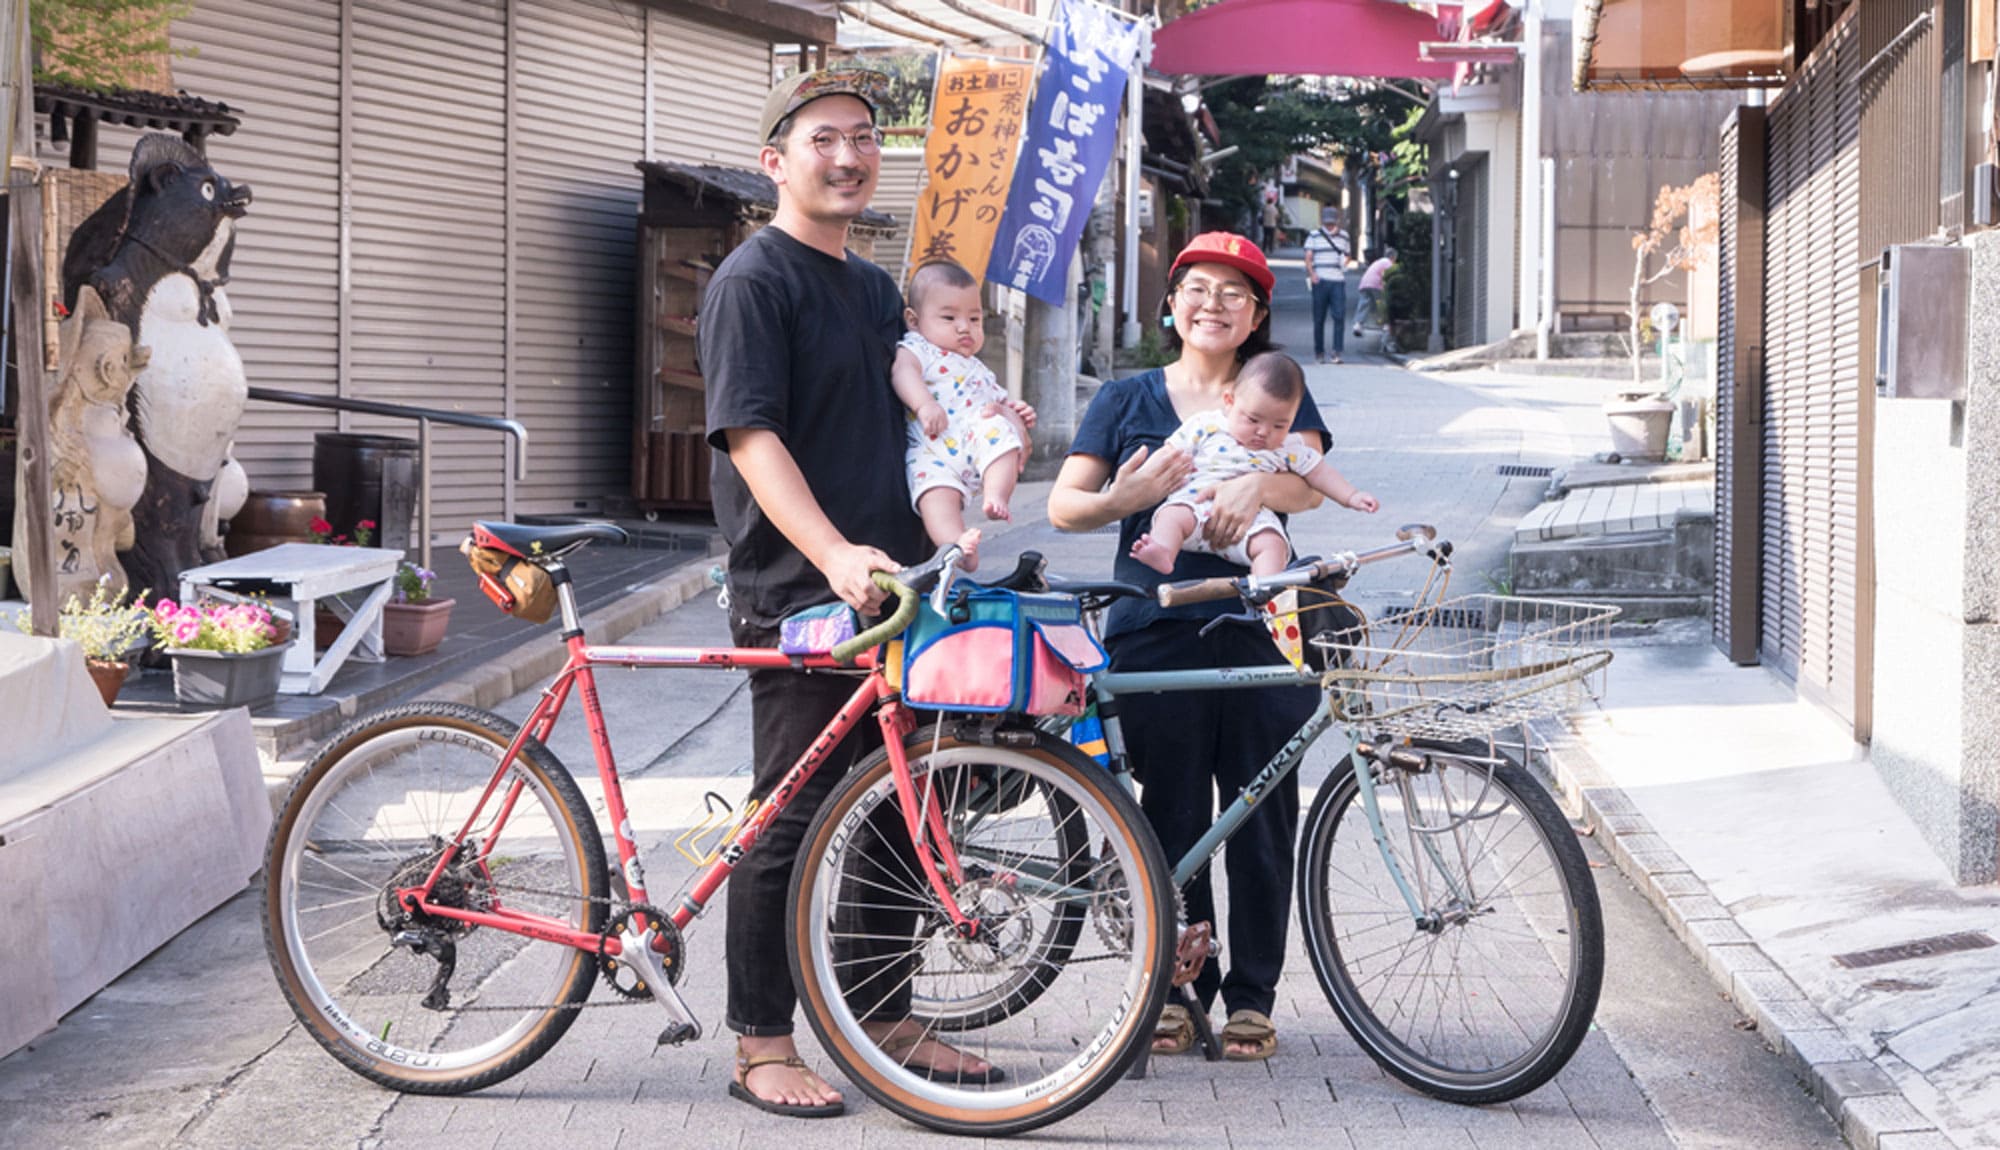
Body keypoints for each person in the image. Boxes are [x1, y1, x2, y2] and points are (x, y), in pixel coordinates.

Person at [700, 67, 993, 1119]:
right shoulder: (752, 280)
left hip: (895, 585)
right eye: (825, 138)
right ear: (776, 162)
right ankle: (760, 1039)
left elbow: (921, 409)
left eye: (865, 138)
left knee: (895, 805)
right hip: (799, 588)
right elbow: (750, 436)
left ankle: (885, 1010)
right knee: (785, 812)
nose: (849, 155)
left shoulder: (874, 288)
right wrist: (828, 550)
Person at [1048, 232, 1331, 1062]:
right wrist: (1126, 499)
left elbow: (1308, 481)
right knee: (1170, 809)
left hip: (1259, 627)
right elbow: (1066, 506)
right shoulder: (1129, 397)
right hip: (1155, 623)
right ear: (1172, 304)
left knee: (1262, 807)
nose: (1213, 304)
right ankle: (1176, 991)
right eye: (1197, 289)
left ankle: (1252, 998)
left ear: (1257, 315)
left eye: (1233, 294)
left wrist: (1256, 483)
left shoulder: (1275, 388)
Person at [1130, 351, 1377, 577]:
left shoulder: (1289, 448)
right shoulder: (1207, 425)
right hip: (1195, 504)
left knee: (1273, 544)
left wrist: (1351, 496)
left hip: (1249, 523)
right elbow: (1168, 454)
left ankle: (1265, 588)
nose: (1263, 432)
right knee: (1171, 516)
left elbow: (1321, 474)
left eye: (1279, 425)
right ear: (1229, 401)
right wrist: (1150, 475)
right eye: (1253, 419)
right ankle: (1162, 551)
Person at [891, 259, 1036, 572]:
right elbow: (903, 373)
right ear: (914, 321)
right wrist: (924, 404)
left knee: (1001, 435)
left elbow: (999, 403)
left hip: (974, 438)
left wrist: (1016, 412)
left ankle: (996, 495)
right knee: (934, 496)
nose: (964, 327)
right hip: (933, 448)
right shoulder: (918, 349)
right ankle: (957, 548)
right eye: (949, 317)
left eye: (974, 319)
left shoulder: (977, 368)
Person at [1303, 208, 1353, 364]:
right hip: (1321, 280)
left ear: (1337, 221)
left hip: (1338, 280)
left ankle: (1337, 351)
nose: (1330, 225)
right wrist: (1312, 275)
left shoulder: (1344, 236)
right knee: (1319, 318)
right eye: (1327, 222)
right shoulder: (1314, 235)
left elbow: (1348, 254)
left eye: (1332, 222)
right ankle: (1319, 352)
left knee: (1339, 316)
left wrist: (1344, 264)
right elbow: (1308, 257)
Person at [1354, 247, 1398, 336]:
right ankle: (1385, 325)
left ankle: (1358, 324)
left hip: (1364, 283)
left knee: (1364, 304)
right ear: (1393, 257)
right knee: (1381, 304)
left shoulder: (1378, 261)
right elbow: (1387, 275)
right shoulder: (1388, 262)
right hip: (1375, 284)